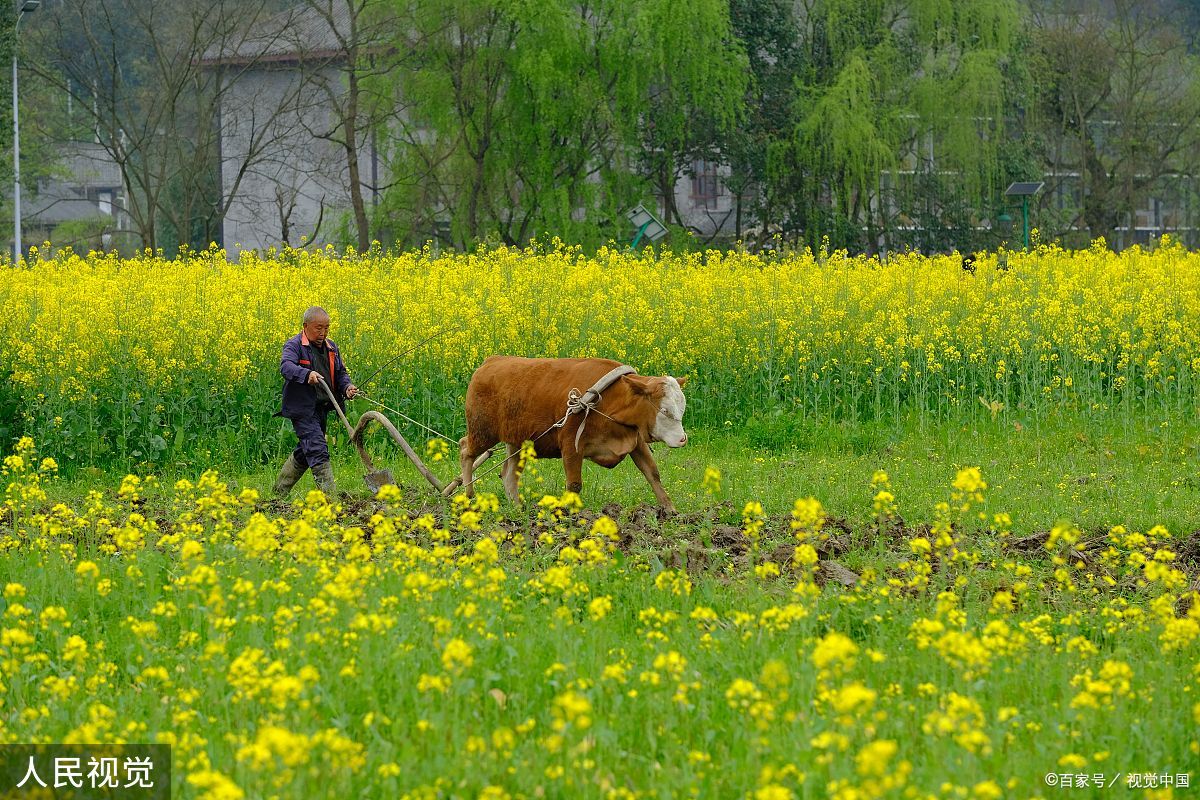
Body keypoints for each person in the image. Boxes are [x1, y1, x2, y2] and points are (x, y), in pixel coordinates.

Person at [273, 306, 359, 498]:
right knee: (317, 447)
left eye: (326, 328)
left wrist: (347, 388)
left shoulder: (331, 347)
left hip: (321, 408)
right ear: (305, 326)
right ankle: (330, 498)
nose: (323, 333)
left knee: (306, 450)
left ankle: (278, 494)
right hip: (302, 409)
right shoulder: (294, 345)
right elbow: (286, 367)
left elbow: (340, 373)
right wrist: (306, 374)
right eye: (318, 328)